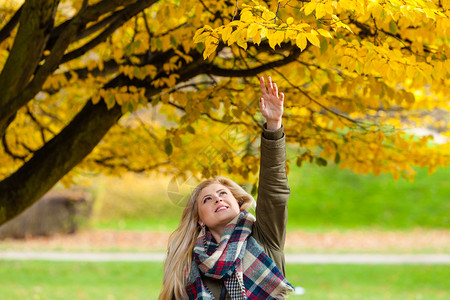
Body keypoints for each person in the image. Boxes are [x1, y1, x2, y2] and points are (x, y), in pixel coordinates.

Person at [159, 76, 294, 299]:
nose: (218, 199)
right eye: (207, 199)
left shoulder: (266, 238)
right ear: (200, 219)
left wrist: (273, 126)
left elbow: (274, 192)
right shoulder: (186, 265)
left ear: (238, 203)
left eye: (223, 194)